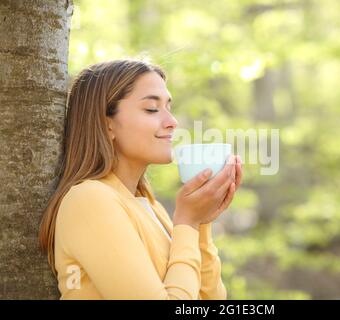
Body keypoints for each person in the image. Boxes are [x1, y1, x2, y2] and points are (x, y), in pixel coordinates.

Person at [38, 59, 243, 299]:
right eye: (152, 109)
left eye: (169, 107)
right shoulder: (88, 200)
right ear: (107, 125)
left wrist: (201, 223)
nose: (172, 122)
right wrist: (187, 222)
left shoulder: (151, 208)